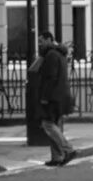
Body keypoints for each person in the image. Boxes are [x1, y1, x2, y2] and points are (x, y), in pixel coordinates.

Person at [31, 30, 76, 166]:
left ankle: (68, 149)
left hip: (53, 96)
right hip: (60, 94)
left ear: (49, 39)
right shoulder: (59, 53)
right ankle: (57, 157)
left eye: (41, 41)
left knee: (47, 124)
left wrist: (44, 97)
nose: (39, 44)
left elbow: (50, 78)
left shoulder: (51, 55)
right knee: (54, 125)